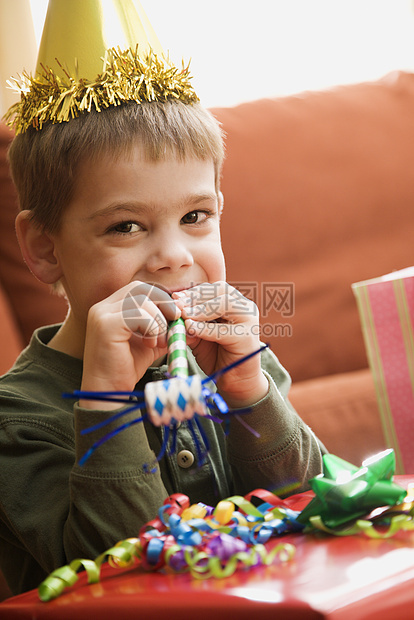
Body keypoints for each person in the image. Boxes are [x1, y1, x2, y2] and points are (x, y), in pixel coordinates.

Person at [0, 0, 325, 596]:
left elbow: (314, 507)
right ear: (45, 248)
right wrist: (104, 400)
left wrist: (251, 394)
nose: (175, 255)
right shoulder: (17, 422)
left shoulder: (232, 363)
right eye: (126, 226)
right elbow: (117, 578)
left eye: (196, 216)